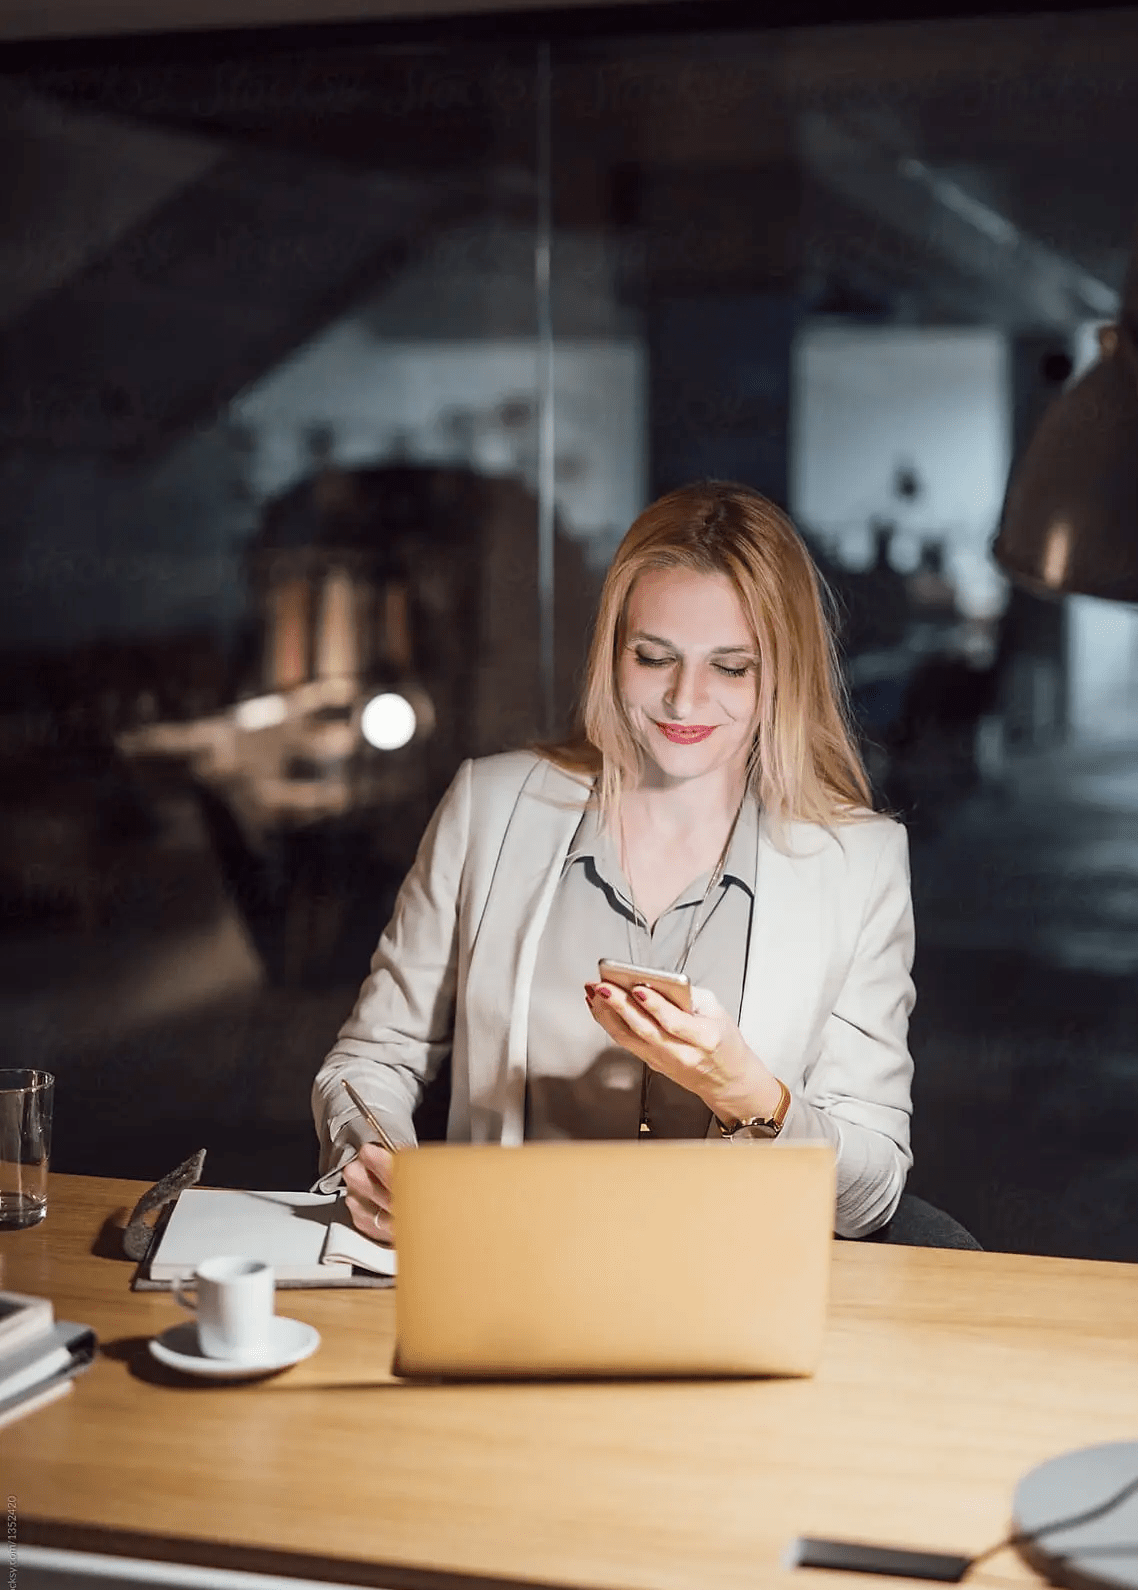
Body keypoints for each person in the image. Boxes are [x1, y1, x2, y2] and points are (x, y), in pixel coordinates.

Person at [312, 482, 914, 1242]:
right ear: (612, 652)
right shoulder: (490, 808)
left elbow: (872, 1195)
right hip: (503, 1269)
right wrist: (375, 1157)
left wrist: (750, 1094)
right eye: (654, 656)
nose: (684, 700)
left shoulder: (859, 863)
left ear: (781, 676)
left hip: (730, 1290)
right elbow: (373, 1058)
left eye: (732, 667)